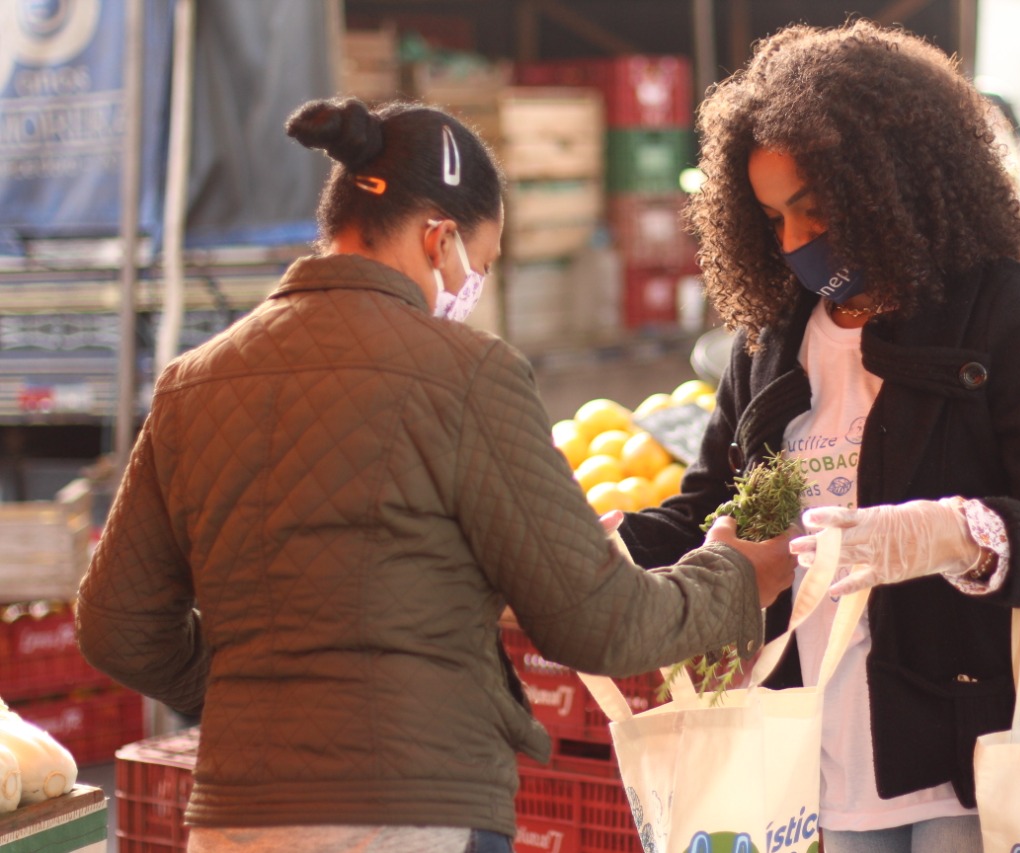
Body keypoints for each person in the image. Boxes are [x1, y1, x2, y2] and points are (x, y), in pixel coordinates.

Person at [74, 97, 796, 851]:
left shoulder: (195, 382)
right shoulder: (469, 375)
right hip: (413, 813)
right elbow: (602, 623)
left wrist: (244, 695)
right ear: (438, 238)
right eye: (480, 265)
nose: (472, 288)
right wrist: (738, 576)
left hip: (233, 817)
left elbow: (117, 626)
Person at [616, 21, 1020, 853]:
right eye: (773, 218)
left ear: (890, 183)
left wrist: (957, 535)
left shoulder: (997, 308)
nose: (791, 244)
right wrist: (605, 545)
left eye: (812, 210)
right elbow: (711, 504)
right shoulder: (772, 337)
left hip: (970, 754)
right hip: (817, 753)